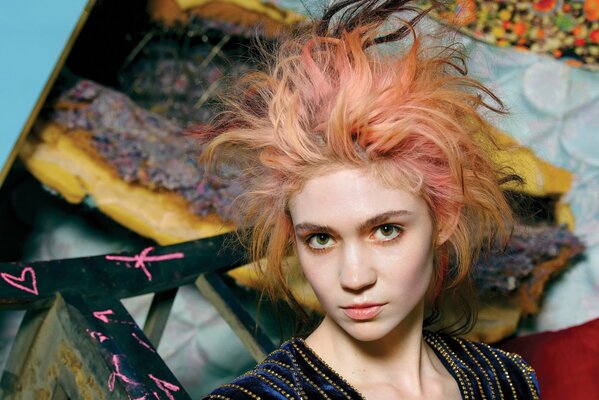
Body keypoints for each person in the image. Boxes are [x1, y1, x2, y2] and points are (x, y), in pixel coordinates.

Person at [199, 0, 540, 398]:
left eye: (386, 230)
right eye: (321, 239)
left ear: (444, 218)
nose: (354, 278)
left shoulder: (505, 378)